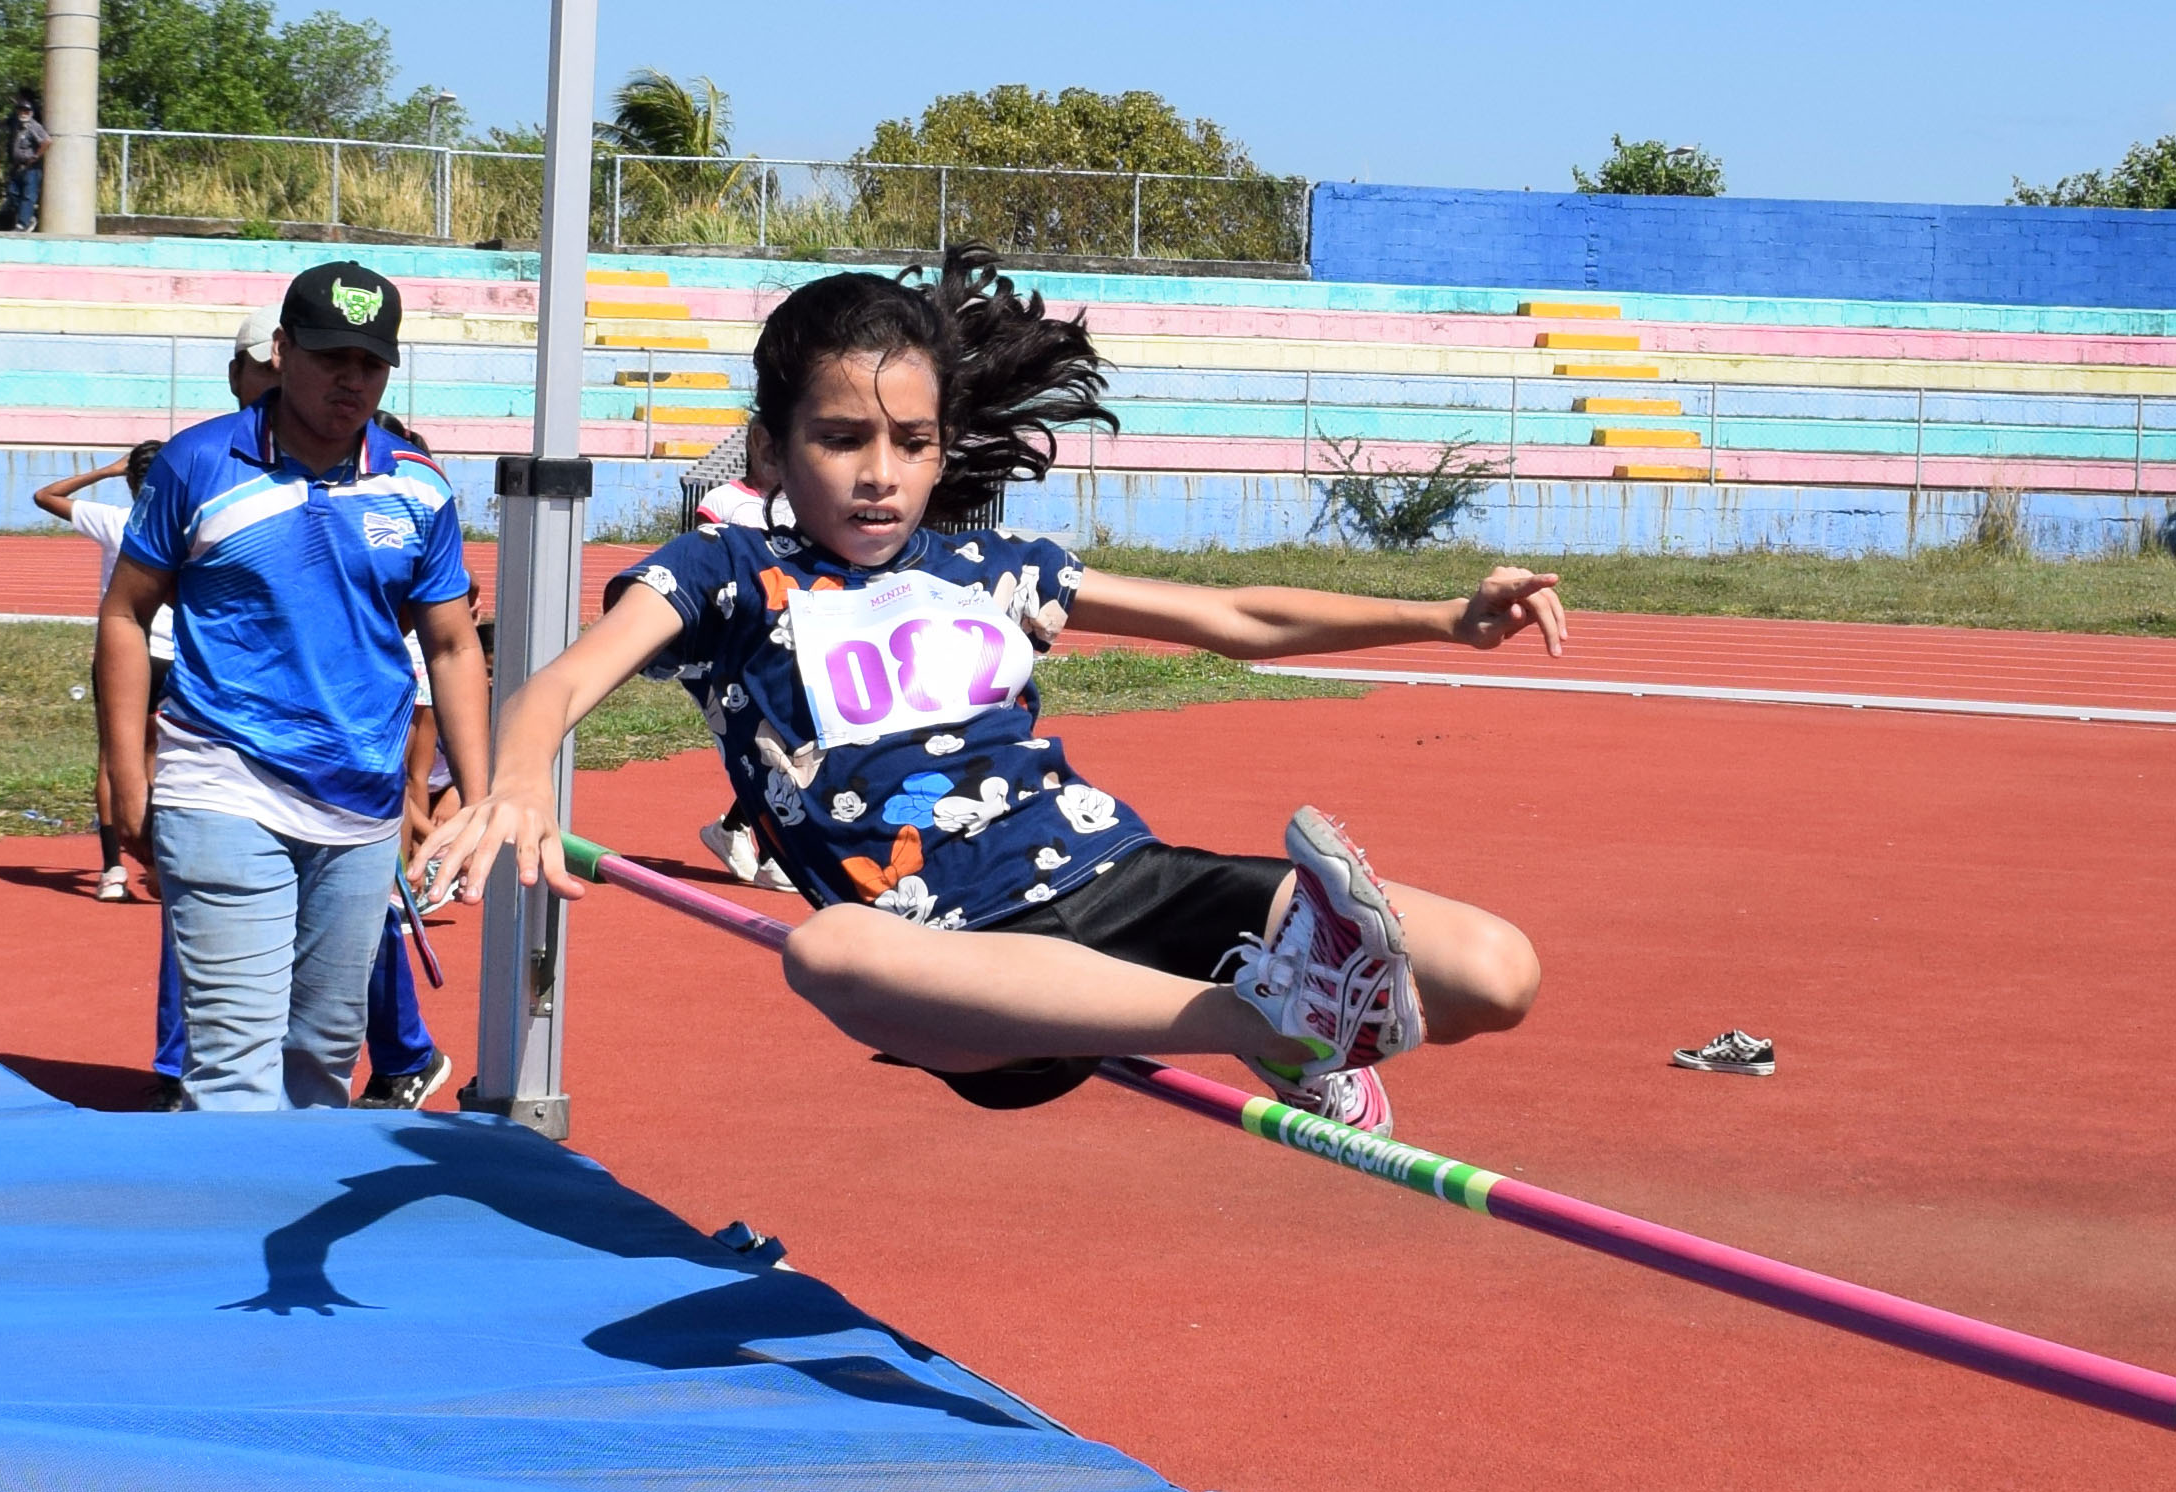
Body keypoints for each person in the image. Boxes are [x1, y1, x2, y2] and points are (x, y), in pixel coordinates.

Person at [416, 246, 1559, 1136]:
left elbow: (1235, 617)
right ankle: (1274, 1025)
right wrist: (516, 781)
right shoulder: (728, 577)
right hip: (957, 963)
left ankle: (1293, 1015)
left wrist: (1444, 619)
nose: (878, 472)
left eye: (910, 442)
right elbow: (563, 677)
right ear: (769, 451)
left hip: (1126, 882)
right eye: (840, 438)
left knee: (1493, 971)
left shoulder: (993, 568)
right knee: (826, 952)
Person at [99, 261, 489, 1111]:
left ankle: (280, 1221)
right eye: (329, 357)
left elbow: (453, 647)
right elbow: (125, 617)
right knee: (235, 1065)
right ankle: (229, 1238)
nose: (351, 379)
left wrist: (479, 799)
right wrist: (130, 778)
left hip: (359, 805)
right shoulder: (200, 463)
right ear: (281, 351)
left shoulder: (417, 483)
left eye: (371, 363)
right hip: (223, 781)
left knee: (318, 1062)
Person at [31, 442, 172, 901]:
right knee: (154, 756)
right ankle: (156, 862)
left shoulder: (115, 520)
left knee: (113, 756)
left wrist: (106, 471)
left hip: (124, 651)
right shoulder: (181, 525)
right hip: (176, 653)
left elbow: (45, 495)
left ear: (131, 482)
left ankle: (114, 869)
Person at [688, 440, 796, 893]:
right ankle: (773, 856)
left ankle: (731, 828)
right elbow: (702, 565)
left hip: (785, 645)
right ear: (755, 447)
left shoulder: (802, 504)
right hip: (726, 652)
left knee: (789, 749)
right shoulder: (722, 502)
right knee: (759, 749)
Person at [0, 89, 49, 232]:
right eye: (20, 109)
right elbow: (6, 121)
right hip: (17, 165)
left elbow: (46, 141)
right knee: (13, 193)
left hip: (31, 167)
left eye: (25, 110)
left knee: (28, 195)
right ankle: (28, 217)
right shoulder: (15, 120)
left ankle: (23, 223)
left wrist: (35, 156)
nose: (22, 112)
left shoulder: (34, 123)